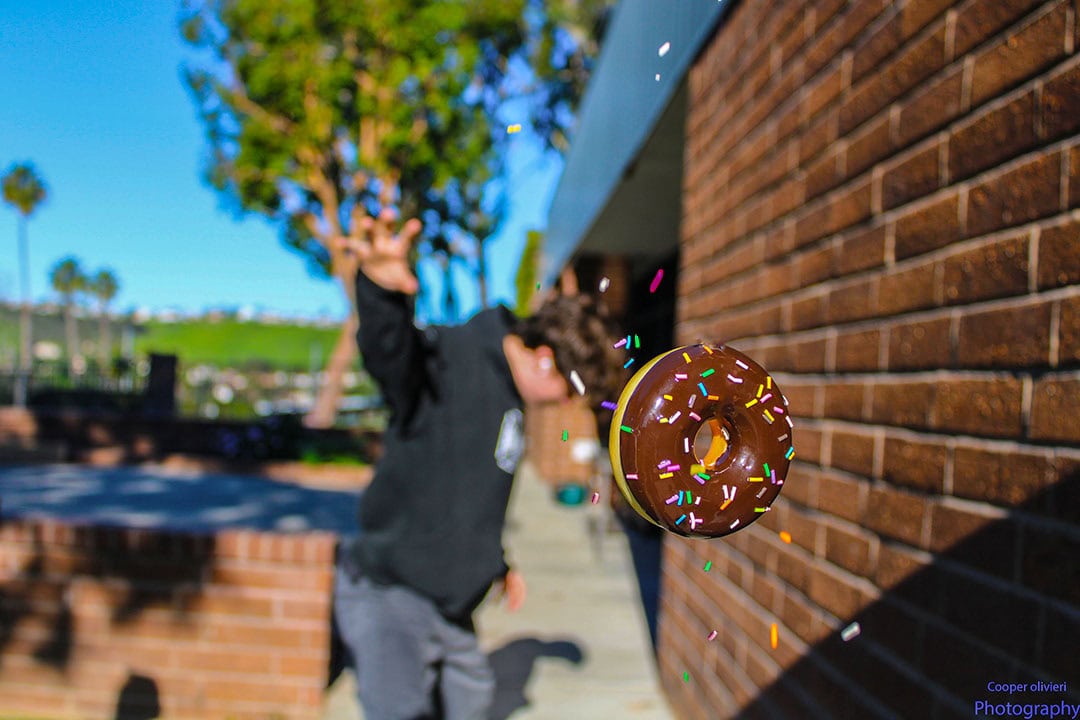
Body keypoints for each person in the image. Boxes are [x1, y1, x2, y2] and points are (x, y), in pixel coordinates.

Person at [332, 209, 623, 720]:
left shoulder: (514, 393)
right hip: (392, 597)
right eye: (565, 391)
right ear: (544, 359)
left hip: (453, 608)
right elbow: (390, 355)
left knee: (470, 703)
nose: (562, 405)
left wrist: (495, 562)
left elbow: (471, 488)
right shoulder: (449, 357)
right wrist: (378, 291)